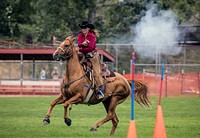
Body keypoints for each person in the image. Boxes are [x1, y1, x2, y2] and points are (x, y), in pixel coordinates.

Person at [77, 20, 104, 99]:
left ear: (88, 28)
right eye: (82, 28)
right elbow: (79, 44)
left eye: (85, 27)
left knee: (96, 72)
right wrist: (82, 45)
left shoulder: (92, 36)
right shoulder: (80, 36)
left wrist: (82, 48)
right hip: (83, 56)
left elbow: (91, 48)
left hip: (93, 56)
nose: (83, 29)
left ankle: (100, 90)